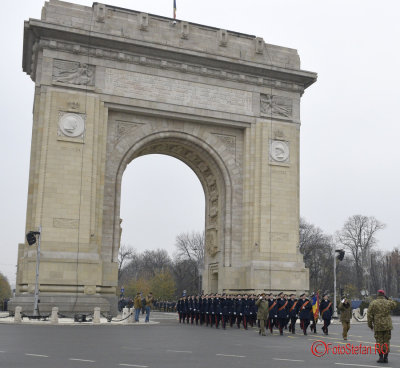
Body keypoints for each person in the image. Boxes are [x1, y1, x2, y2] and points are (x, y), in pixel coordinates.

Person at [367, 289, 397, 364]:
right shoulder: (388, 302)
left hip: (378, 325)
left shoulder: (373, 303)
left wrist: (370, 325)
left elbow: (369, 315)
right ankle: (386, 358)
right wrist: (388, 298)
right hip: (387, 325)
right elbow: (394, 304)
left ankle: (380, 357)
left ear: (377, 294)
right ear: (384, 295)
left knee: (379, 341)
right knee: (386, 341)